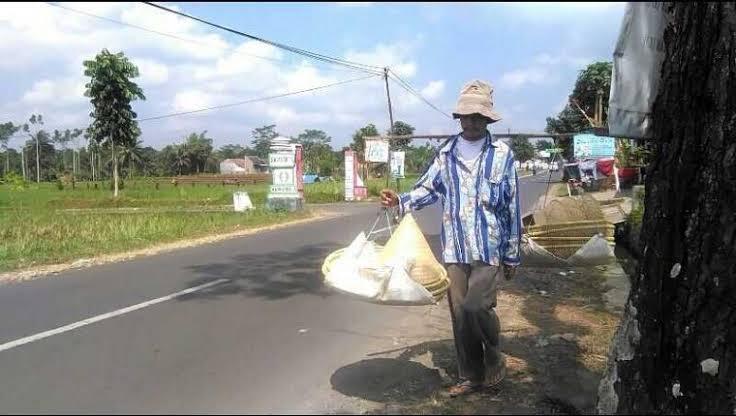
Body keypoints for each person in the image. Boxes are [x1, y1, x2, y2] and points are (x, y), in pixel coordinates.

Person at [380, 80, 521, 397]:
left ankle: (494, 358)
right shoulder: (445, 153)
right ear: (459, 118)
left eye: (477, 116)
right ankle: (470, 375)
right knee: (459, 314)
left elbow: (512, 206)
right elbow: (427, 189)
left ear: (487, 119)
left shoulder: (503, 155)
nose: (470, 122)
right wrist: (399, 202)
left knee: (475, 307)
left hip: (488, 246)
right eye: (465, 116)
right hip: (455, 248)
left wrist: (512, 255)